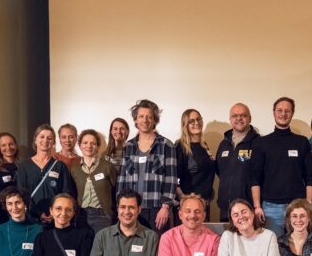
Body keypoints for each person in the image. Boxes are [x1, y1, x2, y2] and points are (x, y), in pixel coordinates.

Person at [250, 96, 312, 234]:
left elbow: (310, 176)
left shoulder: (302, 142)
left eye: (287, 111)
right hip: (271, 208)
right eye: (279, 110)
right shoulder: (261, 143)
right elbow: (255, 177)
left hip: (298, 207)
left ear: (292, 113)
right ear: (273, 112)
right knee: (274, 245)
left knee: (297, 245)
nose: (283, 114)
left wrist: (309, 203)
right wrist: (257, 206)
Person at [116, 99, 180, 232]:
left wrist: (165, 207)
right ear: (135, 120)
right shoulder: (128, 146)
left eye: (149, 117)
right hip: (132, 209)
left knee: (156, 243)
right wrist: (120, 206)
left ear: (155, 120)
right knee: (133, 244)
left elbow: (171, 179)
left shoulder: (166, 145)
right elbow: (122, 179)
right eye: (141, 116)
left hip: (157, 208)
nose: (145, 120)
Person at [16, 124, 77, 223]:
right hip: (31, 219)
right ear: (35, 140)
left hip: (56, 218)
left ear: (54, 142)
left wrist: (55, 212)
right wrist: (38, 213)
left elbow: (66, 193)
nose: (45, 140)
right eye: (42, 137)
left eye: (49, 138)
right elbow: (22, 193)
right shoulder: (24, 166)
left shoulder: (60, 166)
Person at [214, 103, 261, 222]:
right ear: (230, 119)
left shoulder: (258, 143)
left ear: (250, 118)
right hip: (225, 207)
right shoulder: (224, 143)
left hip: (248, 208)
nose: (239, 118)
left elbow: (261, 175)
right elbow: (220, 171)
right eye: (235, 116)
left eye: (243, 115)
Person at [70, 129, 118, 233]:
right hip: (81, 215)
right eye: (85, 143)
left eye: (93, 143)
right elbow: (72, 192)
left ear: (98, 146)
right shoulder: (74, 168)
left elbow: (116, 191)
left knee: (102, 243)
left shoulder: (107, 167)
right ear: (80, 145)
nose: (89, 146)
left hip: (102, 216)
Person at [177, 108, 216, 205]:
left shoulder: (204, 145)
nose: (197, 123)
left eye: (198, 119)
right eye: (191, 121)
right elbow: (174, 176)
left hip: (204, 202)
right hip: (189, 203)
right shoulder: (180, 146)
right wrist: (182, 197)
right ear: (185, 125)